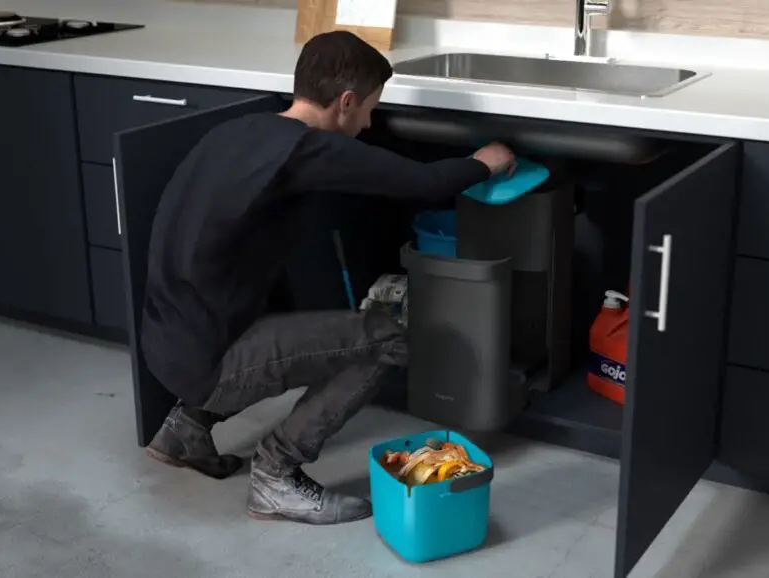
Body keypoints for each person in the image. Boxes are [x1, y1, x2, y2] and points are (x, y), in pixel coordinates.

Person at [141, 30, 517, 525]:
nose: (367, 123)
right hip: (208, 362)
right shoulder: (307, 150)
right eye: (369, 109)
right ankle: (277, 473)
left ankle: (184, 429)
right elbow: (424, 184)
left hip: (166, 343)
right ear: (344, 102)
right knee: (388, 339)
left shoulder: (242, 131)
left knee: (300, 317)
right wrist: (486, 162)